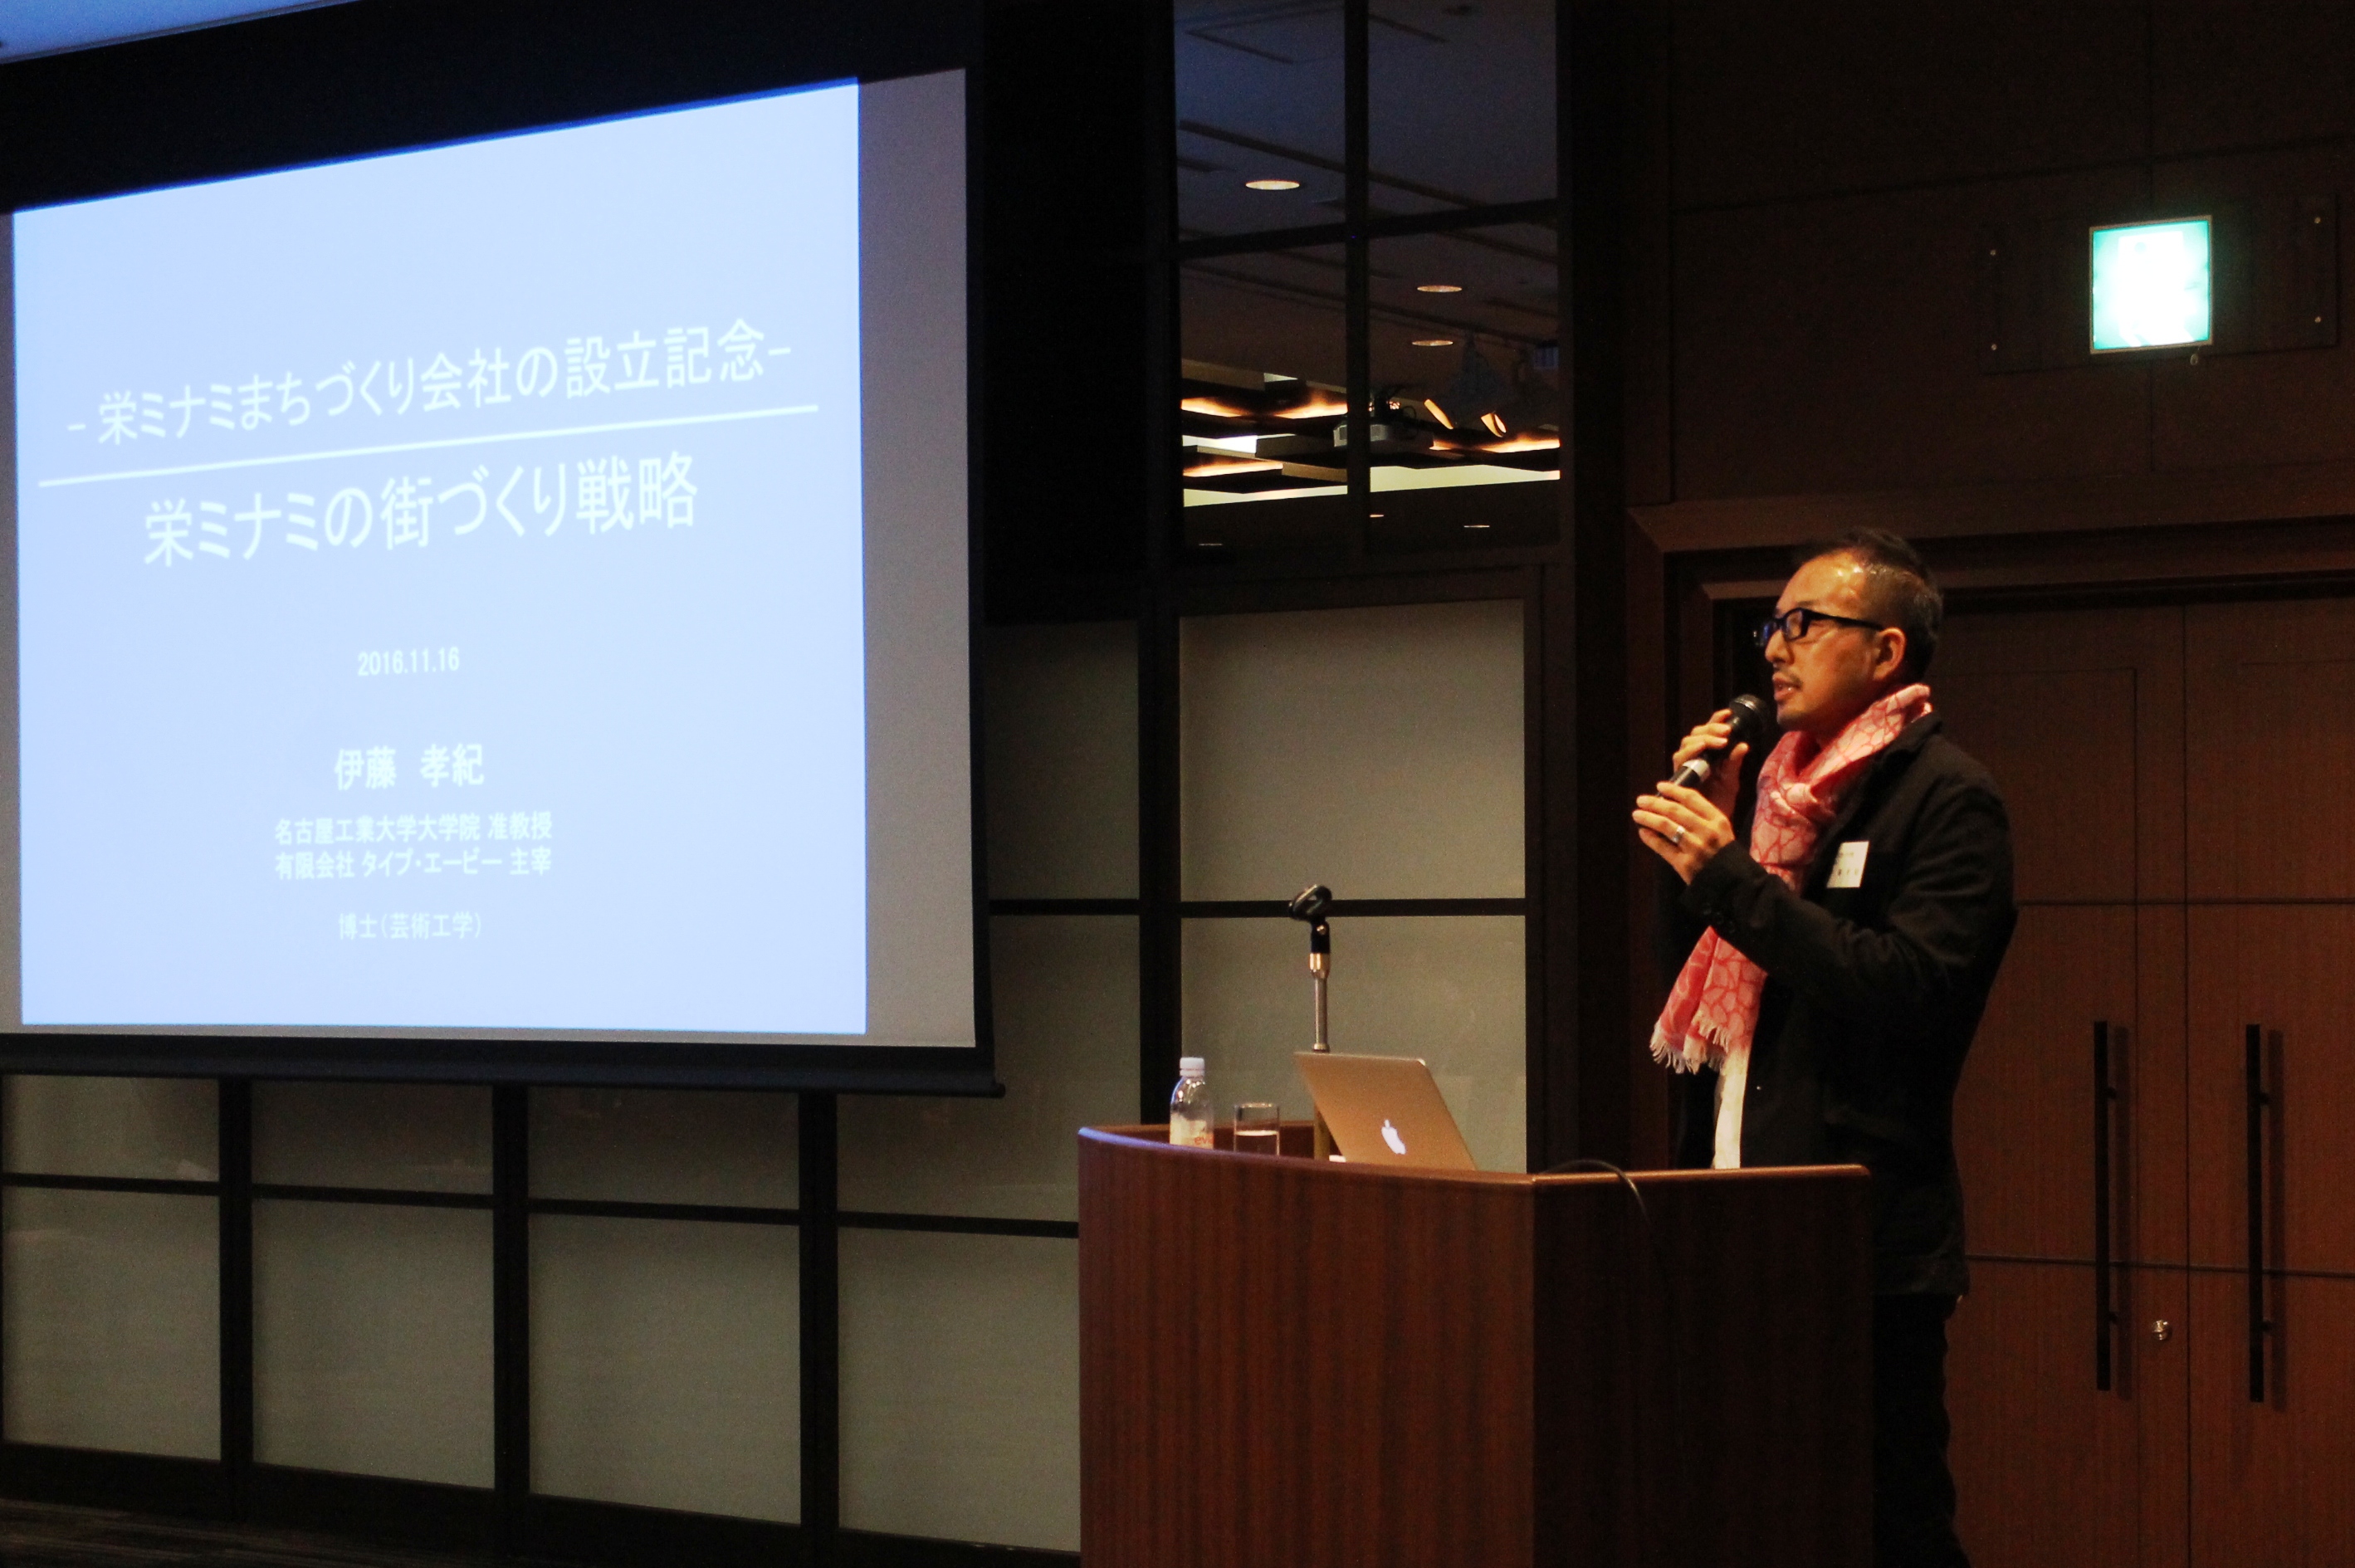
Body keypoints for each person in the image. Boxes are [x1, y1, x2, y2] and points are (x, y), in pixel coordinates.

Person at [1630, 529, 2015, 1568]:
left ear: (1884, 650)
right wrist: (1703, 852)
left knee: (1882, 1519)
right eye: (1773, 624)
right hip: (1727, 1212)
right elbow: (1694, 970)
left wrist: (1728, 877)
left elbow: (1909, 985)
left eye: (1803, 623)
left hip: (1857, 1237)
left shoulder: (1944, 797)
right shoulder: (1768, 798)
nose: (1773, 647)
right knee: (1740, 1511)